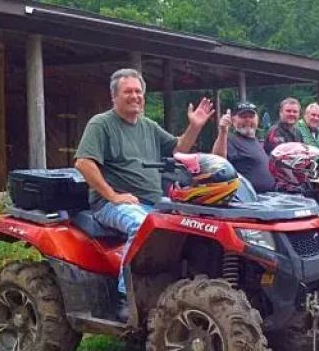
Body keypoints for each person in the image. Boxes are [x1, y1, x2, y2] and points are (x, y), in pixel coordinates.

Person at [74, 68, 214, 321]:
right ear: (113, 96)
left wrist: (194, 127)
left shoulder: (148, 126)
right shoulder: (101, 124)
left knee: (196, 228)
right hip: (111, 204)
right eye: (128, 91)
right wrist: (113, 195)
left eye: (138, 91)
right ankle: (125, 297)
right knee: (142, 226)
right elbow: (83, 163)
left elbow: (179, 149)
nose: (135, 96)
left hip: (155, 202)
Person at [212, 101, 276, 193]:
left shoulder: (256, 142)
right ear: (233, 120)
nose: (248, 120)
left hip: (268, 200)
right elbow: (218, 163)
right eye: (243, 117)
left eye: (251, 116)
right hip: (247, 201)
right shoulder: (229, 139)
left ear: (257, 119)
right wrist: (223, 132)